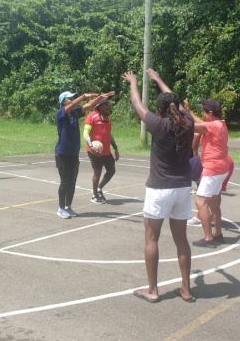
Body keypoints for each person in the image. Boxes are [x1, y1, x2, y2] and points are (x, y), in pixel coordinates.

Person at [123, 69, 205, 303]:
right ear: (176, 107)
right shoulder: (188, 121)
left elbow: (136, 102)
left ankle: (153, 290)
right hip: (182, 188)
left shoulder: (157, 124)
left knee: (151, 239)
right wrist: (159, 79)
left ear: (159, 110)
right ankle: (186, 290)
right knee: (182, 240)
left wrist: (134, 82)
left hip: (159, 189)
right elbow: (174, 101)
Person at [55, 90, 114, 219]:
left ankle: (68, 207)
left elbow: (87, 106)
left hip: (73, 154)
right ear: (62, 101)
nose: (71, 100)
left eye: (72, 98)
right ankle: (60, 208)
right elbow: (73, 105)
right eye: (69, 98)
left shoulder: (74, 114)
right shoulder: (61, 114)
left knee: (72, 181)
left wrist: (100, 98)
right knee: (65, 181)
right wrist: (83, 96)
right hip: (62, 153)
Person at [184, 99, 230, 248]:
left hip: (212, 170)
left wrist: (177, 118)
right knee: (214, 204)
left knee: (201, 202)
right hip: (221, 169)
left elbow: (192, 126)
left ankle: (208, 238)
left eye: (204, 112)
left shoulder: (212, 127)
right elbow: (201, 124)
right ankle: (218, 234)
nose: (202, 114)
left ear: (210, 113)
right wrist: (189, 112)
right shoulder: (220, 124)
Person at [84, 98, 119, 204]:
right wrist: (91, 146)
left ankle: (99, 188)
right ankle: (94, 195)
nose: (108, 106)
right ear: (99, 106)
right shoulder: (92, 116)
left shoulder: (108, 118)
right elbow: (85, 133)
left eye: (108, 104)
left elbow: (109, 135)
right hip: (95, 151)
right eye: (105, 105)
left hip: (107, 151)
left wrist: (115, 148)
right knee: (97, 173)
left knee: (111, 170)